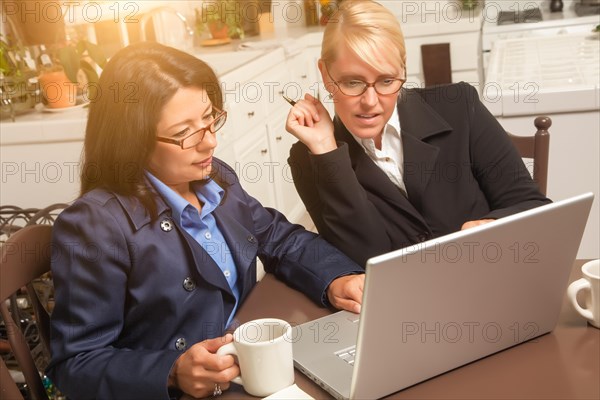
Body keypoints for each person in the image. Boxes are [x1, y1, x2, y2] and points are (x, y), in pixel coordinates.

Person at [46, 42, 365, 400]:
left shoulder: (216, 180)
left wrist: (337, 278)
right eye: (185, 133)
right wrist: (172, 371)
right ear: (131, 141)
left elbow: (277, 236)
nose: (210, 141)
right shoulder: (94, 225)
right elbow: (75, 363)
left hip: (246, 374)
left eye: (210, 119)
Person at [285, 0, 551, 267]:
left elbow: (531, 206)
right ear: (325, 75)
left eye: (387, 81)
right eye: (352, 82)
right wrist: (328, 151)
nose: (370, 101)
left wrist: (492, 225)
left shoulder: (459, 106)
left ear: (403, 69)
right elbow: (362, 262)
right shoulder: (311, 160)